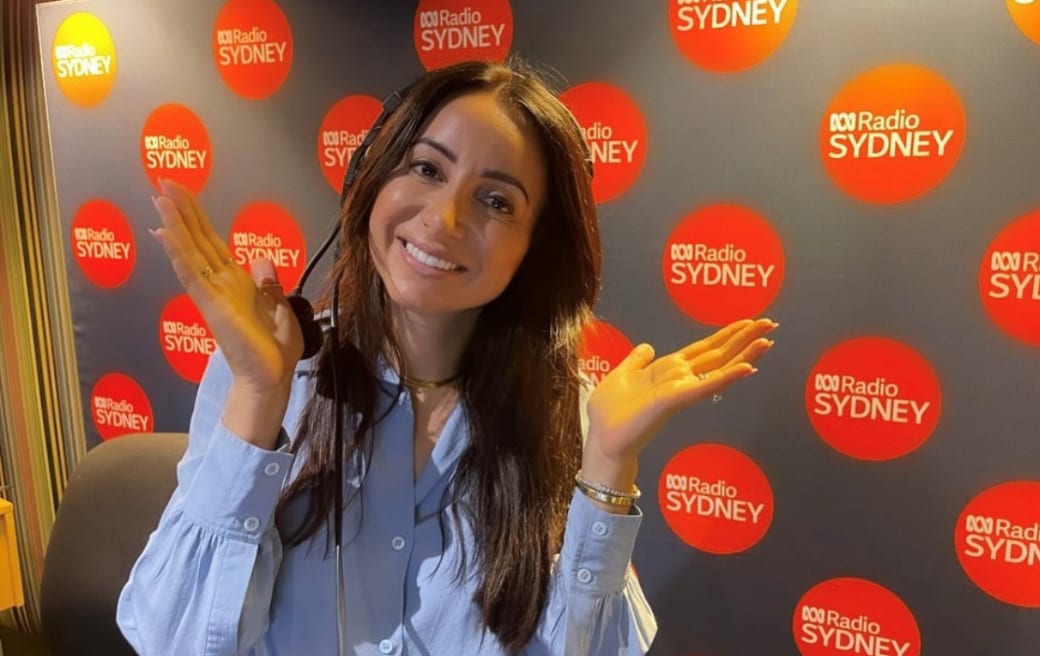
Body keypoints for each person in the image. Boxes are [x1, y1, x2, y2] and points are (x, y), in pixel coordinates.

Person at [116, 58, 776, 655]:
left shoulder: (566, 414)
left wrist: (608, 465)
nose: (446, 217)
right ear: (372, 179)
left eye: (496, 201)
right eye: (427, 168)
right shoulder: (266, 378)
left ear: (532, 249)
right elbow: (172, 639)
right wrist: (259, 397)